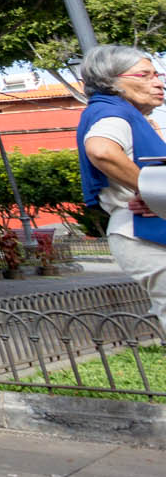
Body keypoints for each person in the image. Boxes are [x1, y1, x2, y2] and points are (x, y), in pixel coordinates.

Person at [77, 44, 166, 329]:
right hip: (141, 231)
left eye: (157, 75)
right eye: (144, 75)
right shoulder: (111, 111)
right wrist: (152, 192)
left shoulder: (126, 115)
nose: (158, 83)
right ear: (111, 81)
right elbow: (101, 150)